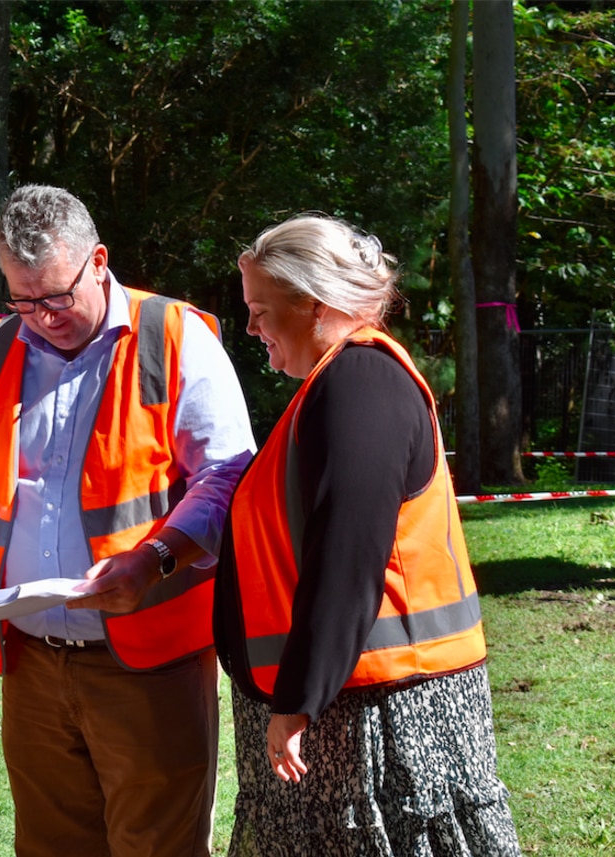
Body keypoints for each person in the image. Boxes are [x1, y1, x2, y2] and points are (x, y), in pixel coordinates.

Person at [0, 184, 256, 857]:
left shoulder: (173, 338)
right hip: (33, 671)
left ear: (98, 260)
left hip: (150, 665)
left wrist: (153, 558)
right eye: (21, 300)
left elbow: (227, 478)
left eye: (55, 297)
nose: (41, 317)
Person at [214, 214, 522, 856]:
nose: (250, 329)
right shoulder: (337, 386)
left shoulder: (360, 384)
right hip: (352, 710)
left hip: (382, 722)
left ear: (315, 303)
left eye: (260, 310)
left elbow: (348, 551)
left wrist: (299, 697)